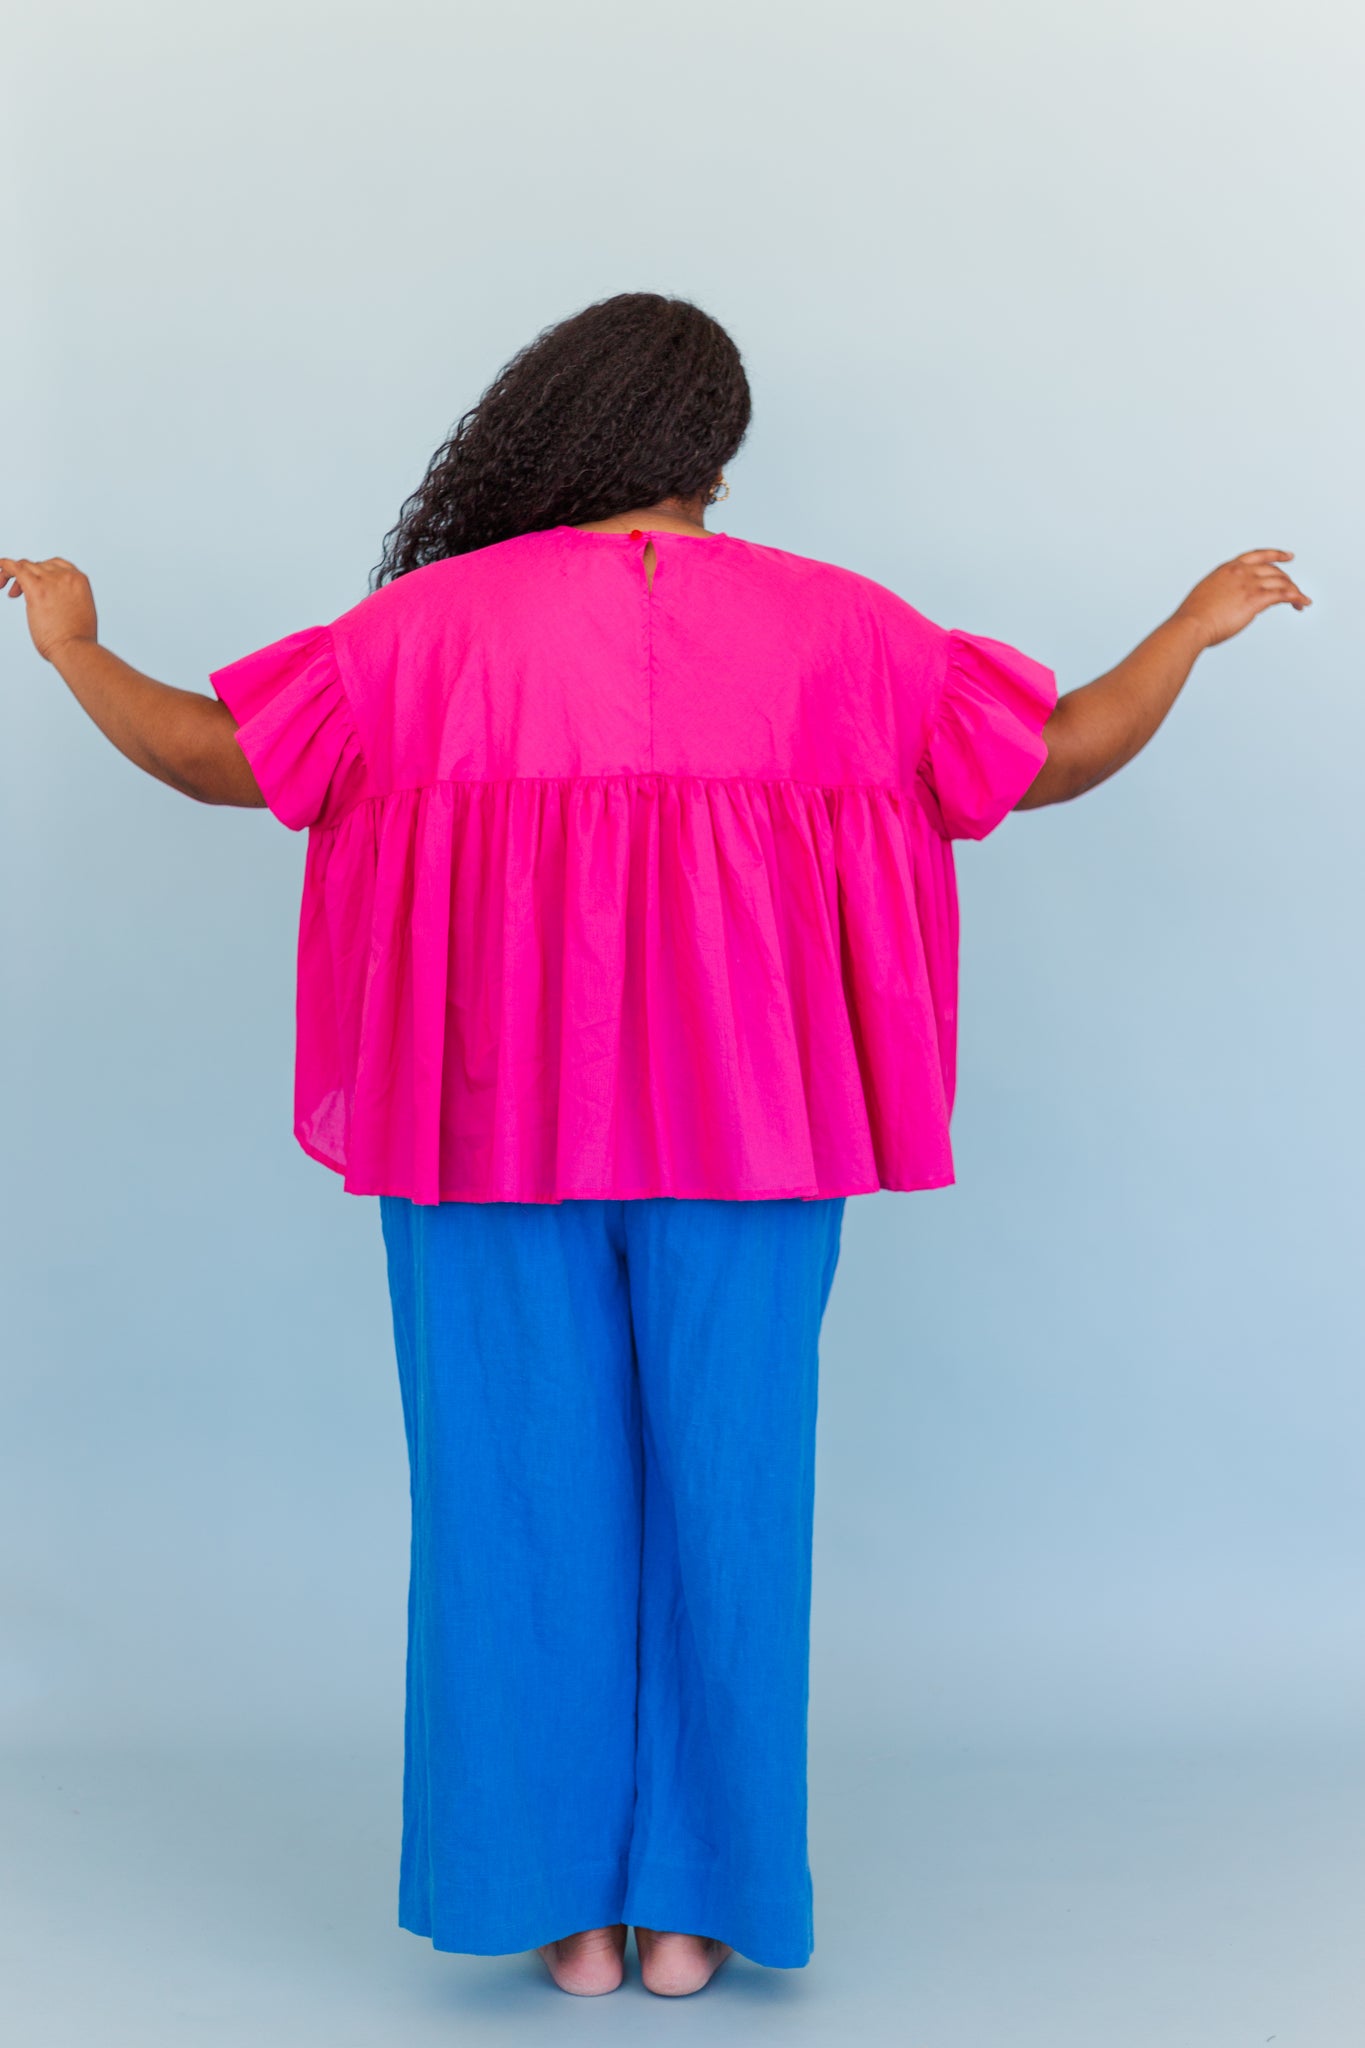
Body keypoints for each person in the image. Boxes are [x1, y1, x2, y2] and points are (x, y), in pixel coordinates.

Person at [2, 291, 1310, 2001]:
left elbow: (206, 754)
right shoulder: (842, 629)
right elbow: (1049, 755)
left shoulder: (427, 630)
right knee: (732, 1497)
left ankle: (561, 1911)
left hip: (486, 1133)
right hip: (755, 1132)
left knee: (508, 1500)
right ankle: (695, 1913)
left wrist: (74, 644)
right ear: (715, 449)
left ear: (551, 424)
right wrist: (1188, 627)